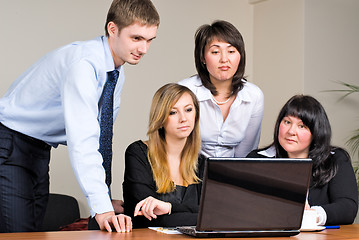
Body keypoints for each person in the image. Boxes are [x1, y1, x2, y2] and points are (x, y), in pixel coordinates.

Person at [0, 0, 159, 233]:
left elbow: (100, 137)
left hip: (39, 149)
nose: (143, 49)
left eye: (149, 40)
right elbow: (82, 140)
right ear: (112, 29)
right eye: (136, 38)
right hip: (11, 143)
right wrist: (101, 206)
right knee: (18, 235)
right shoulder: (84, 64)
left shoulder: (115, 72)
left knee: (34, 233)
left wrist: (102, 200)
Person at [247, 95, 358, 226]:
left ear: (316, 132)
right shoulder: (257, 159)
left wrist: (312, 215)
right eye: (287, 122)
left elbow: (348, 207)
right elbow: (243, 206)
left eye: (302, 126)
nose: (291, 131)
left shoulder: (335, 159)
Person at [122, 83, 205, 228]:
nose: (183, 118)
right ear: (160, 119)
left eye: (189, 110)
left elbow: (214, 216)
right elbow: (148, 217)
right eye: (173, 112)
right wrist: (196, 215)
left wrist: (168, 208)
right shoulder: (138, 153)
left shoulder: (201, 162)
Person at [179, 20, 264, 158]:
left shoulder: (254, 95)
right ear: (203, 58)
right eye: (215, 51)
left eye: (231, 51)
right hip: (189, 172)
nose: (224, 59)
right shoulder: (185, 90)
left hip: (234, 175)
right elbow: (175, 146)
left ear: (240, 56)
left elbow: (246, 153)